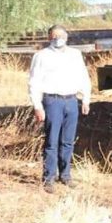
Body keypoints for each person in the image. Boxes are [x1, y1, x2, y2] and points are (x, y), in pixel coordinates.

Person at [29, 24, 91, 194]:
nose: (58, 39)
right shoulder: (41, 56)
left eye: (61, 35)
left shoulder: (75, 55)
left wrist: (86, 99)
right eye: (54, 36)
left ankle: (65, 175)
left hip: (71, 101)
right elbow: (34, 82)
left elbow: (83, 77)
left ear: (67, 36)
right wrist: (37, 106)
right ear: (49, 38)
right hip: (52, 101)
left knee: (68, 141)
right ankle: (48, 177)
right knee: (51, 141)